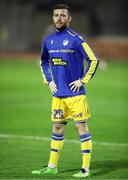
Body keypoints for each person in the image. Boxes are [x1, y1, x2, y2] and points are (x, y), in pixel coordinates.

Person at [32, 4, 99, 178]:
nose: (59, 18)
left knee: (81, 127)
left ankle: (85, 169)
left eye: (62, 15)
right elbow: (44, 62)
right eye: (56, 15)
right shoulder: (48, 40)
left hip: (75, 95)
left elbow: (93, 60)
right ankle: (52, 166)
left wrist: (83, 80)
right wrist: (48, 81)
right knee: (57, 129)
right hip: (58, 95)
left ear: (69, 18)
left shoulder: (76, 39)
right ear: (53, 18)